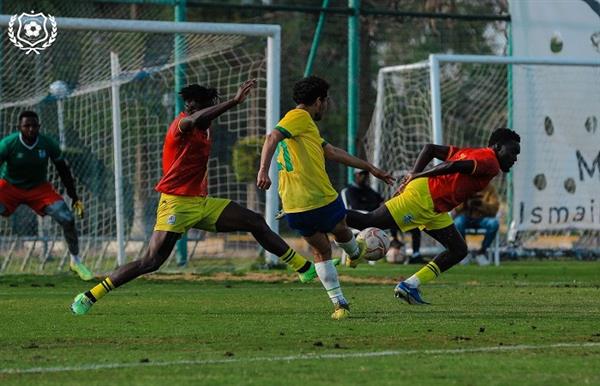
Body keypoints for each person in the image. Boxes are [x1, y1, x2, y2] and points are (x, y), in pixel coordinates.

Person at [70, 80, 317, 315]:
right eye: (190, 106)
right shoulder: (182, 125)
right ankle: (89, 296)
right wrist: (233, 101)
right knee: (150, 262)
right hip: (175, 203)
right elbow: (195, 119)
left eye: (195, 105)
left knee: (255, 221)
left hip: (200, 203)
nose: (190, 109)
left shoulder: (205, 133)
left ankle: (303, 268)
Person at [257, 76, 394, 320]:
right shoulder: (299, 117)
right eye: (326, 101)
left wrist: (369, 167)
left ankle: (339, 304)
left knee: (321, 250)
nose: (326, 106)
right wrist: (262, 170)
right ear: (319, 101)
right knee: (341, 228)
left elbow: (330, 151)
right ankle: (354, 253)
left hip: (293, 204)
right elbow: (271, 138)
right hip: (319, 195)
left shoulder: (302, 125)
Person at [346, 128, 520, 304]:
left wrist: (414, 176)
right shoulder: (491, 162)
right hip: (424, 198)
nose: (515, 158)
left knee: (458, 250)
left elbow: (430, 149)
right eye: (513, 152)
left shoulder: (472, 152)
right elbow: (452, 166)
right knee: (369, 221)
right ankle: (324, 214)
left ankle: (410, 286)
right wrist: (416, 175)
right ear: (497, 147)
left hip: (435, 207)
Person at [0, 111, 92, 280]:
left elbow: (63, 170)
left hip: (39, 189)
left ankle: (75, 261)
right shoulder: (8, 144)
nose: (30, 129)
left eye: (34, 125)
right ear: (19, 127)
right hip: (9, 187)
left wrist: (74, 197)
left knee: (67, 218)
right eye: (26, 126)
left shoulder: (47, 143)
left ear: (39, 127)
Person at [342, 169, 421, 264]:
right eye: (362, 174)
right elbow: (356, 207)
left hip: (379, 217)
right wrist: (376, 207)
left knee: (414, 225)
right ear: (356, 175)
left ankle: (415, 255)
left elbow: (382, 201)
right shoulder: (350, 190)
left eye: (366, 174)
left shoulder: (369, 190)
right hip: (366, 219)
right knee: (389, 220)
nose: (365, 177)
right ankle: (393, 240)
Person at [453, 184, 500, 266]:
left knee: (494, 224)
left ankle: (481, 252)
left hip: (483, 217)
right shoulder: (464, 187)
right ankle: (463, 253)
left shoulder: (489, 188)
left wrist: (481, 204)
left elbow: (495, 208)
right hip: (466, 217)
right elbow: (456, 208)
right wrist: (466, 202)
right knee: (458, 223)